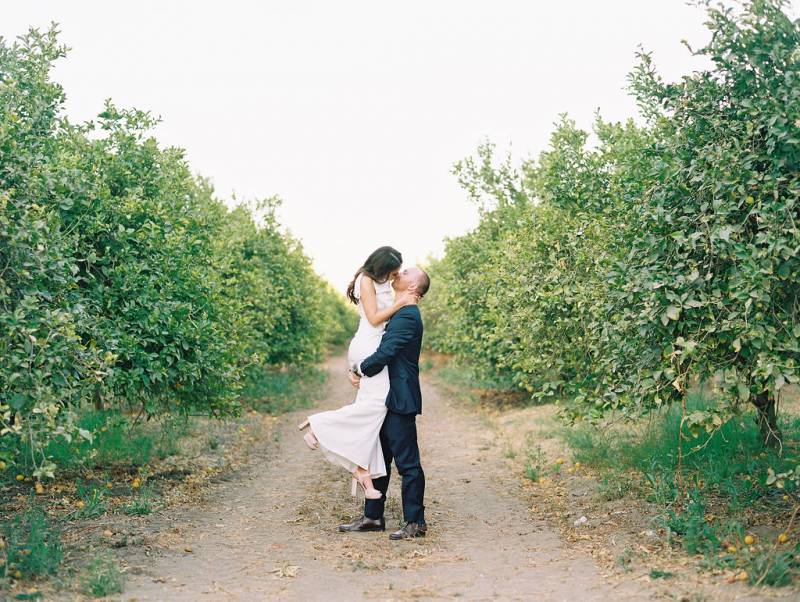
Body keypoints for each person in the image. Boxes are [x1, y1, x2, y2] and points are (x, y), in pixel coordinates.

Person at [299, 246, 418, 500]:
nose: (395, 276)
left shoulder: (380, 281)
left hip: (370, 346)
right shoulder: (366, 280)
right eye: (392, 271)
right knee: (376, 405)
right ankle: (319, 426)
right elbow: (375, 319)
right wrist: (401, 303)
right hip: (368, 345)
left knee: (373, 412)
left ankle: (364, 473)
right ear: (380, 267)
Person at [339, 265, 430, 540]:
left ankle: (416, 522)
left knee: (408, 464)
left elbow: (386, 352)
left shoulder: (408, 315)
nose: (397, 275)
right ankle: (373, 517)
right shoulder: (399, 312)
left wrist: (359, 369)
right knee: (377, 457)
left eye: (404, 273)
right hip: (385, 396)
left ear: (413, 287)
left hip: (399, 399)